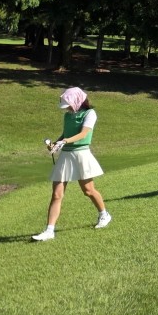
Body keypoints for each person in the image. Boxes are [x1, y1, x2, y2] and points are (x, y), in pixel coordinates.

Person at [32, 87, 111, 240]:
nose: (67, 108)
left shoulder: (90, 113)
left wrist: (65, 141)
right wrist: (56, 144)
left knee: (88, 190)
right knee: (56, 194)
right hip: (65, 155)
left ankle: (104, 214)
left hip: (81, 154)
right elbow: (65, 134)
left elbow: (83, 133)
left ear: (77, 101)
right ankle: (49, 231)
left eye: (68, 105)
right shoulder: (68, 116)